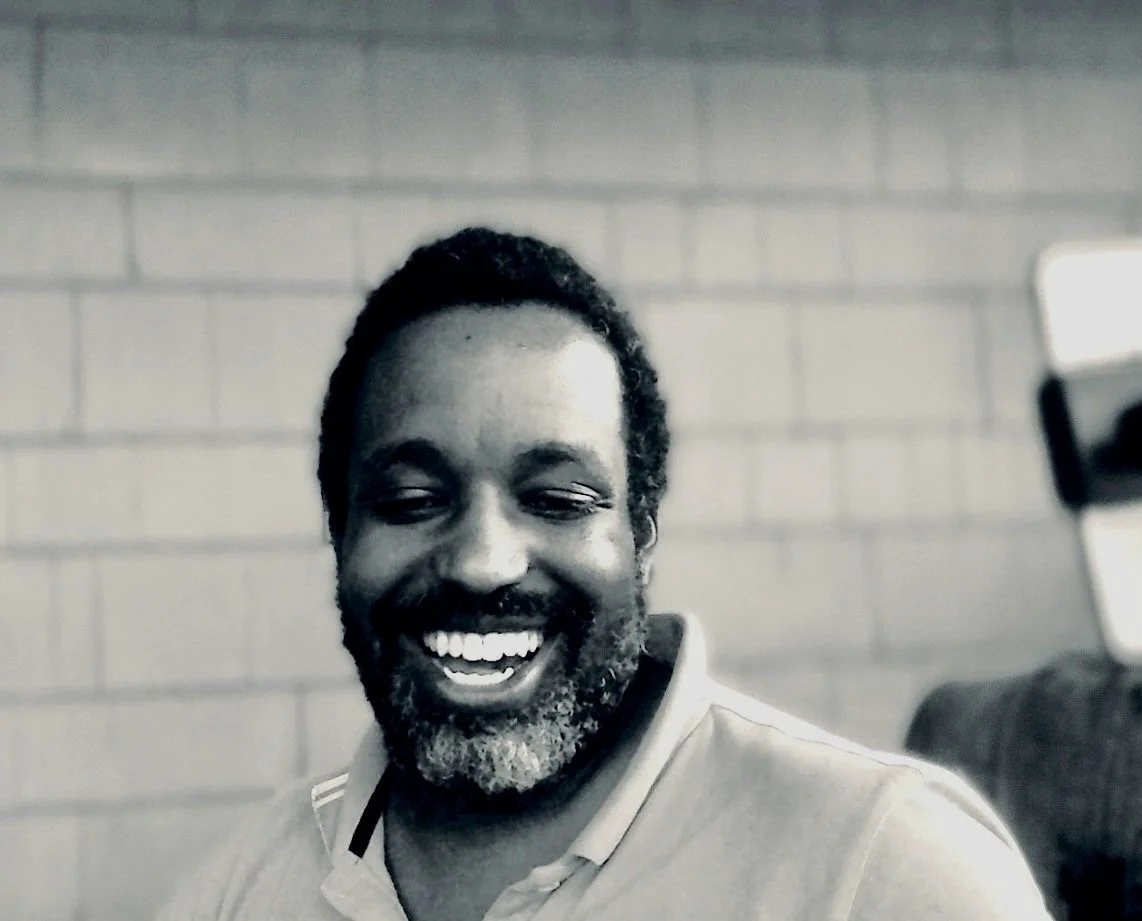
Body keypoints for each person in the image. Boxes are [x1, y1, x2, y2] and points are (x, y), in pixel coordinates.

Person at [156, 228, 1052, 921]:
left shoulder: (882, 865)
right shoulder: (241, 888)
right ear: (340, 534)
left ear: (642, 535)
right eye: (414, 498)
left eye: (554, 498)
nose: (481, 559)